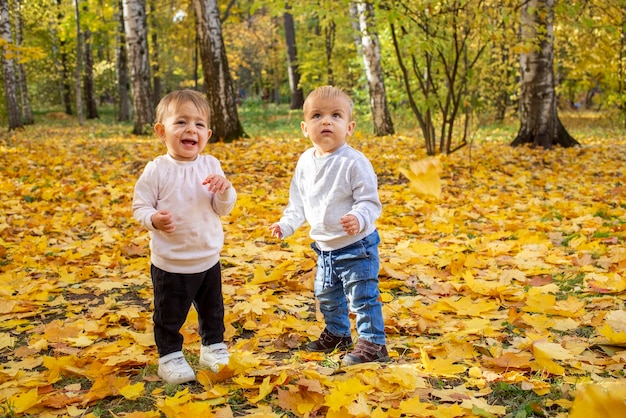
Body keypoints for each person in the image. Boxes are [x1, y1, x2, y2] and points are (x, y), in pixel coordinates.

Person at [269, 85, 389, 366]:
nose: (326, 121)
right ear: (304, 127)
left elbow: (370, 202)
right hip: (324, 248)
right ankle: (337, 334)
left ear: (349, 127)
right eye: (317, 116)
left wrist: (358, 217)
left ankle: (374, 343)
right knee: (327, 295)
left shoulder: (354, 162)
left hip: (356, 245)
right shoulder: (305, 162)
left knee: (362, 296)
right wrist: (286, 225)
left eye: (336, 116)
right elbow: (297, 203)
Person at [133, 90, 237, 384]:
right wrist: (153, 219)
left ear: (208, 133)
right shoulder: (157, 170)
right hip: (172, 263)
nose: (191, 129)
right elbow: (139, 206)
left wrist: (225, 190)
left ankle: (213, 347)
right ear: (161, 131)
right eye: (181, 122)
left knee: (213, 309)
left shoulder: (210, 165)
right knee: (169, 315)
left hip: (208, 258)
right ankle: (169, 356)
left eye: (199, 124)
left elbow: (222, 209)